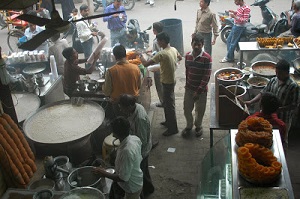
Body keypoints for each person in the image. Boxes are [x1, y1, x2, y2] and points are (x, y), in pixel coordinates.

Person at [245, 59, 300, 143]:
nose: (277, 75)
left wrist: (278, 109)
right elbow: (263, 92)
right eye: (276, 72)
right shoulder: (273, 80)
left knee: (282, 139)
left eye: (280, 73)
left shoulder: (293, 86)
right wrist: (251, 102)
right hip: (269, 115)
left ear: (287, 72)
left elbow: (294, 105)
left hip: (284, 117)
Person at [139, 32, 182, 136]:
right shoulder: (173, 49)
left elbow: (145, 64)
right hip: (171, 79)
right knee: (167, 103)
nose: (157, 43)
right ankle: (168, 122)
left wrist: (140, 56)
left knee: (169, 105)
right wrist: (171, 64)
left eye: (158, 41)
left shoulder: (162, 54)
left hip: (167, 81)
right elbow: (180, 58)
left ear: (162, 41)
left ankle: (173, 129)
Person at [93, 116, 143, 199]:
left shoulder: (126, 151)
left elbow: (123, 178)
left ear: (115, 133)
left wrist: (103, 173)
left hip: (132, 187)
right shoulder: (134, 139)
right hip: (137, 177)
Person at [118, 94, 155, 197]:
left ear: (129, 106)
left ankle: (143, 193)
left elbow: (142, 140)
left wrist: (133, 150)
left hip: (142, 149)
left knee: (139, 173)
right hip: (140, 145)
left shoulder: (140, 118)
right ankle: (149, 189)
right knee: (144, 171)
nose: (121, 110)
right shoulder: (135, 108)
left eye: (122, 108)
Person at [181, 34, 212, 138]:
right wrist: (187, 85)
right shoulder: (188, 56)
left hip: (201, 91)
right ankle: (189, 126)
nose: (197, 47)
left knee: (200, 110)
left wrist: (198, 91)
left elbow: (206, 77)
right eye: (195, 44)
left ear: (202, 45)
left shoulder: (207, 58)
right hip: (189, 89)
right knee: (186, 109)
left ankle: (198, 126)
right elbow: (187, 72)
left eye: (199, 45)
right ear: (191, 44)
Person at [102, 45, 142, 115]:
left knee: (121, 122)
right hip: (133, 102)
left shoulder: (111, 71)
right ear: (125, 54)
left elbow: (107, 92)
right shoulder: (136, 68)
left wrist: (103, 87)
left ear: (114, 56)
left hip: (118, 104)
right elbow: (139, 86)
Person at [149, 22, 164, 107]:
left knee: (159, 85)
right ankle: (164, 101)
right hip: (163, 66)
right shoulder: (164, 37)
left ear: (154, 31)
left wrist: (151, 57)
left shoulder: (156, 41)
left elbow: (157, 54)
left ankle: (162, 102)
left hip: (158, 66)